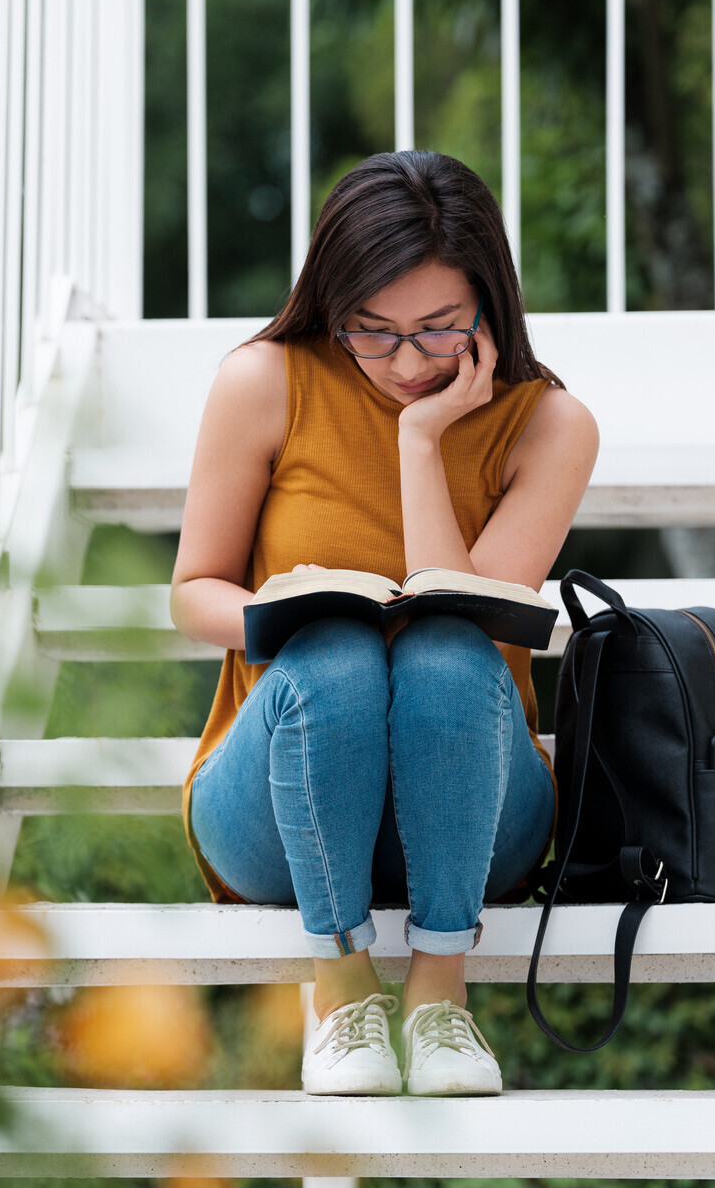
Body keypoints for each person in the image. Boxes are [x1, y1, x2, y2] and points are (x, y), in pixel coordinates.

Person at [172, 151, 598, 1097]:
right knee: (335, 654)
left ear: (490, 308)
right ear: (334, 303)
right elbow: (194, 587)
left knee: (445, 650)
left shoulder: (550, 426)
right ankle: (342, 986)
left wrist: (421, 439)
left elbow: (474, 615)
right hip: (283, 798)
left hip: (472, 808)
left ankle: (439, 998)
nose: (407, 364)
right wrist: (287, 618)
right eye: (373, 332)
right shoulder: (265, 381)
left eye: (439, 331)